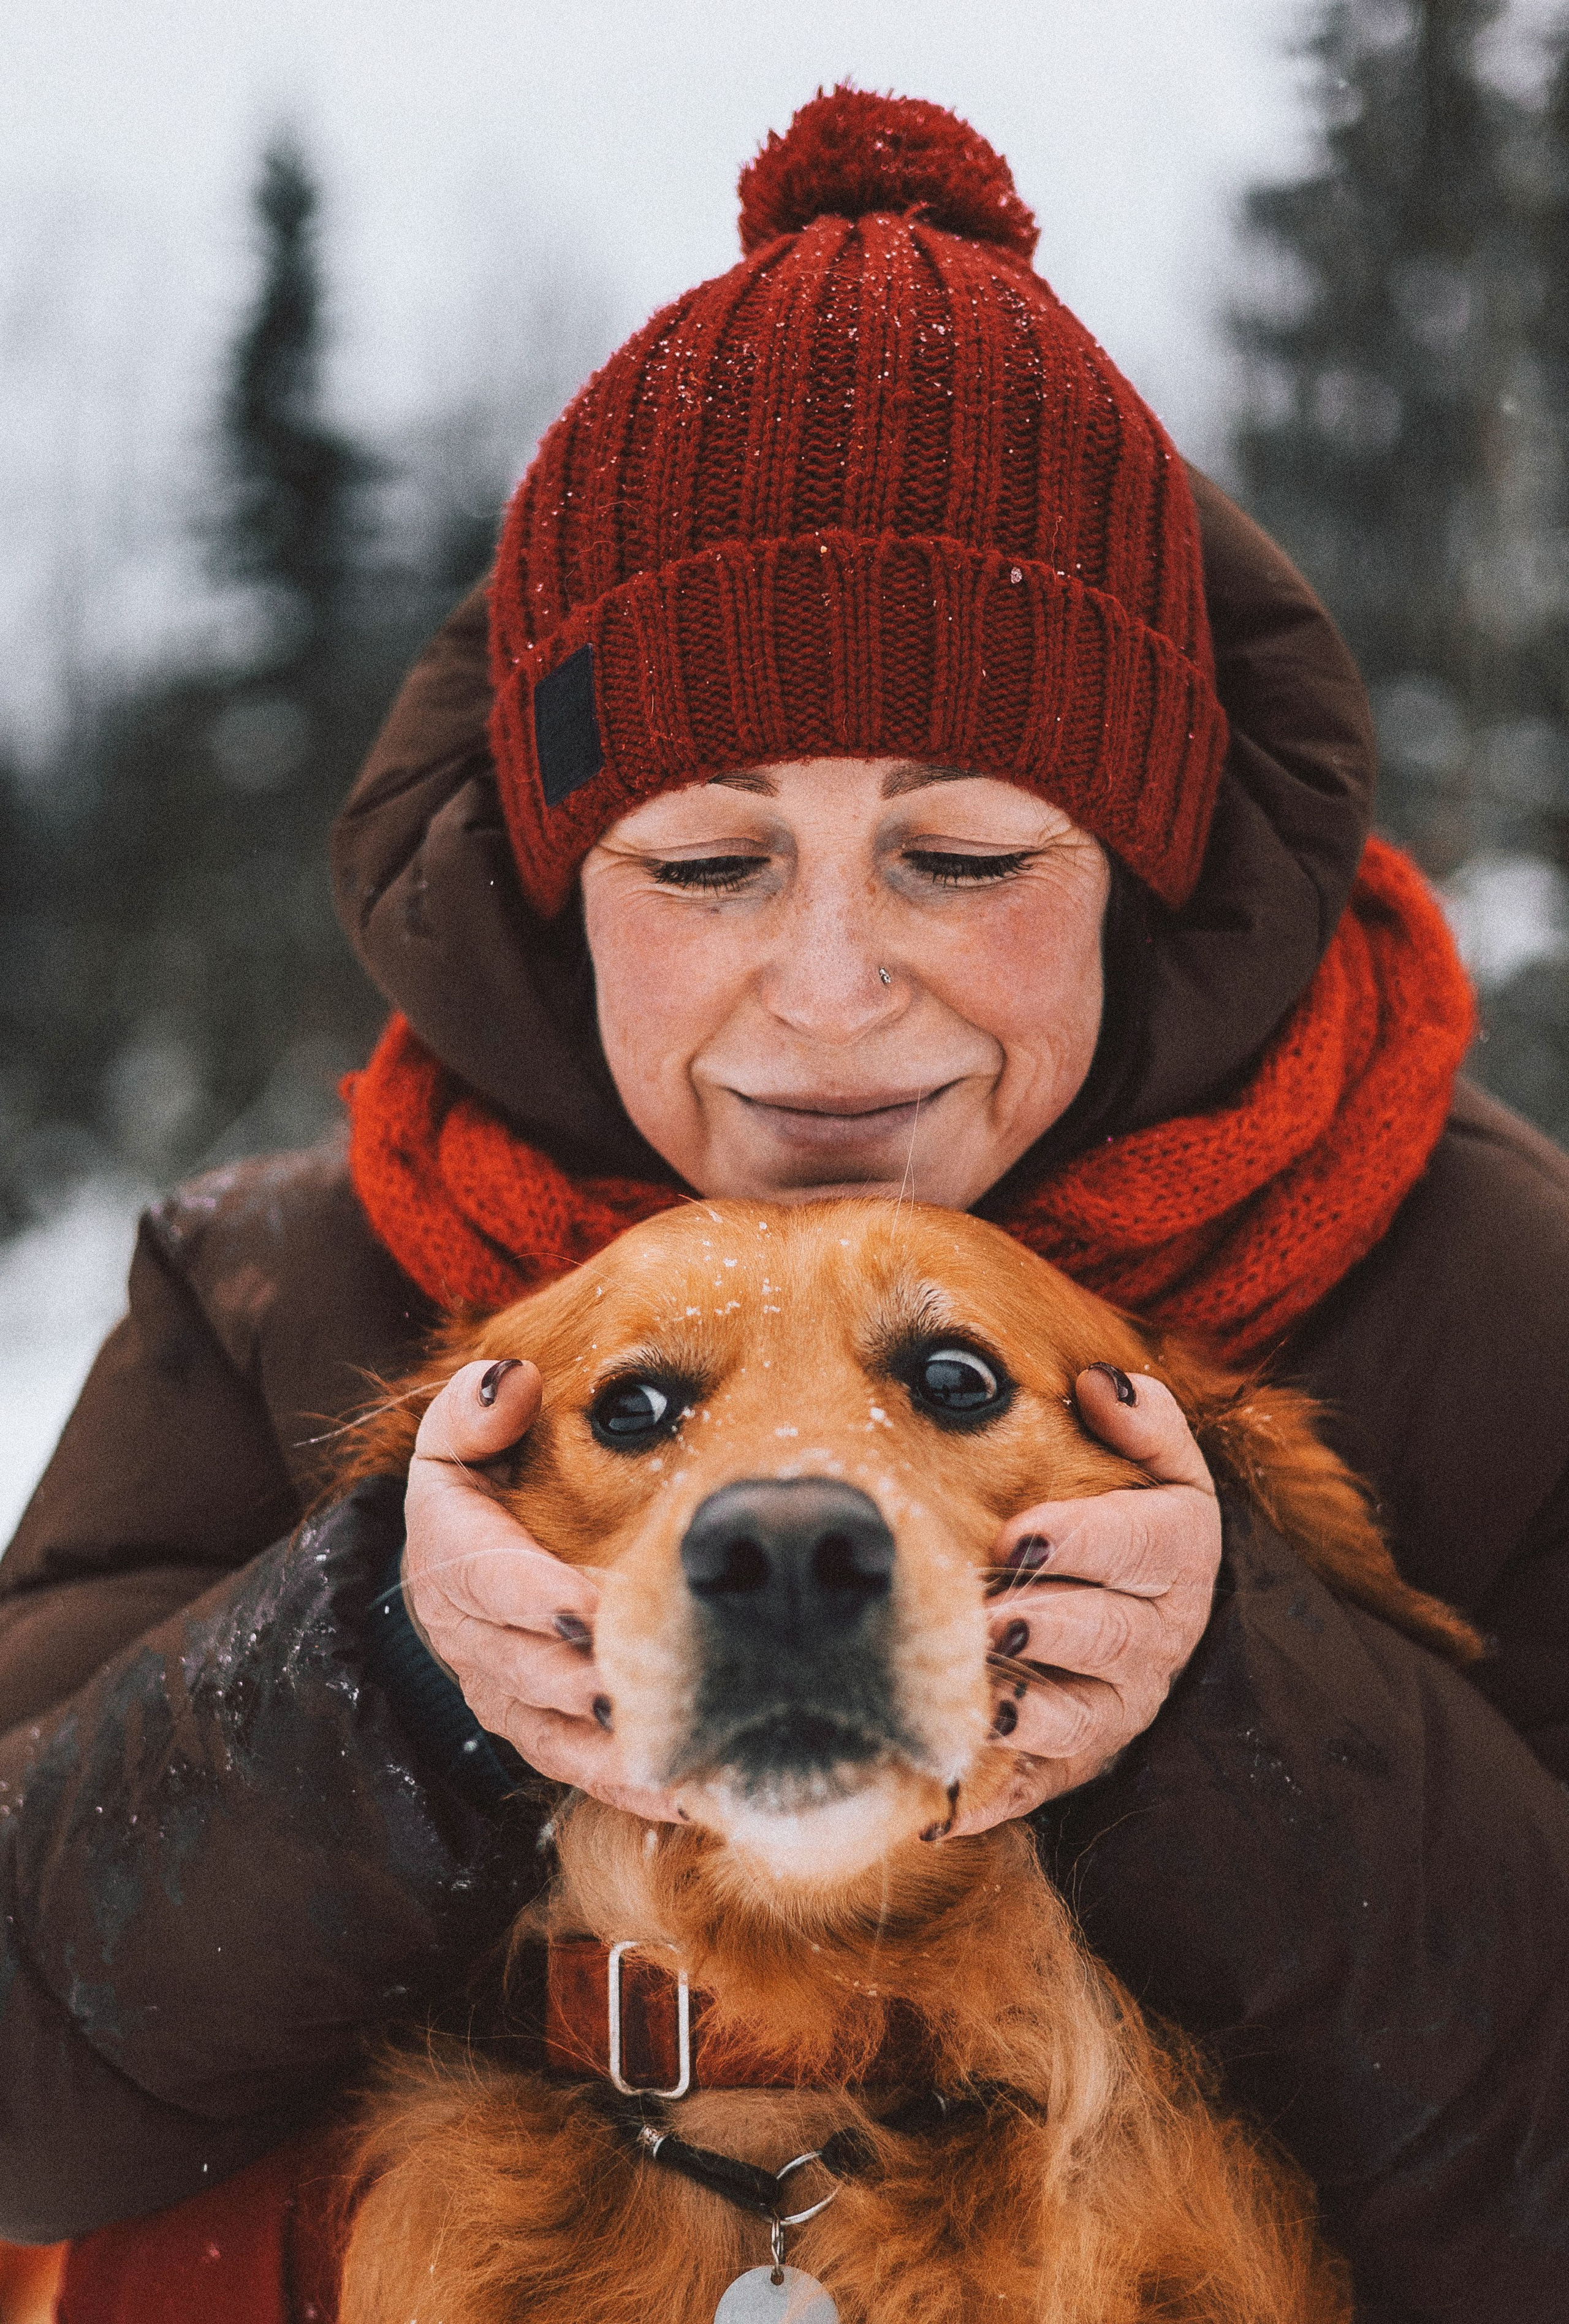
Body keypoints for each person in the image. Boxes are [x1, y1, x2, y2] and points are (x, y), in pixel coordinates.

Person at [2, 88, 1568, 2324]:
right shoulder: (285, 1291)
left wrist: (1226, 1705)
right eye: (712, 862)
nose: (831, 1000)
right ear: (562, 890)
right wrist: (382, 1681)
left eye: (961, 856)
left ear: (1140, 864)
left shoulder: (1499, 1299)